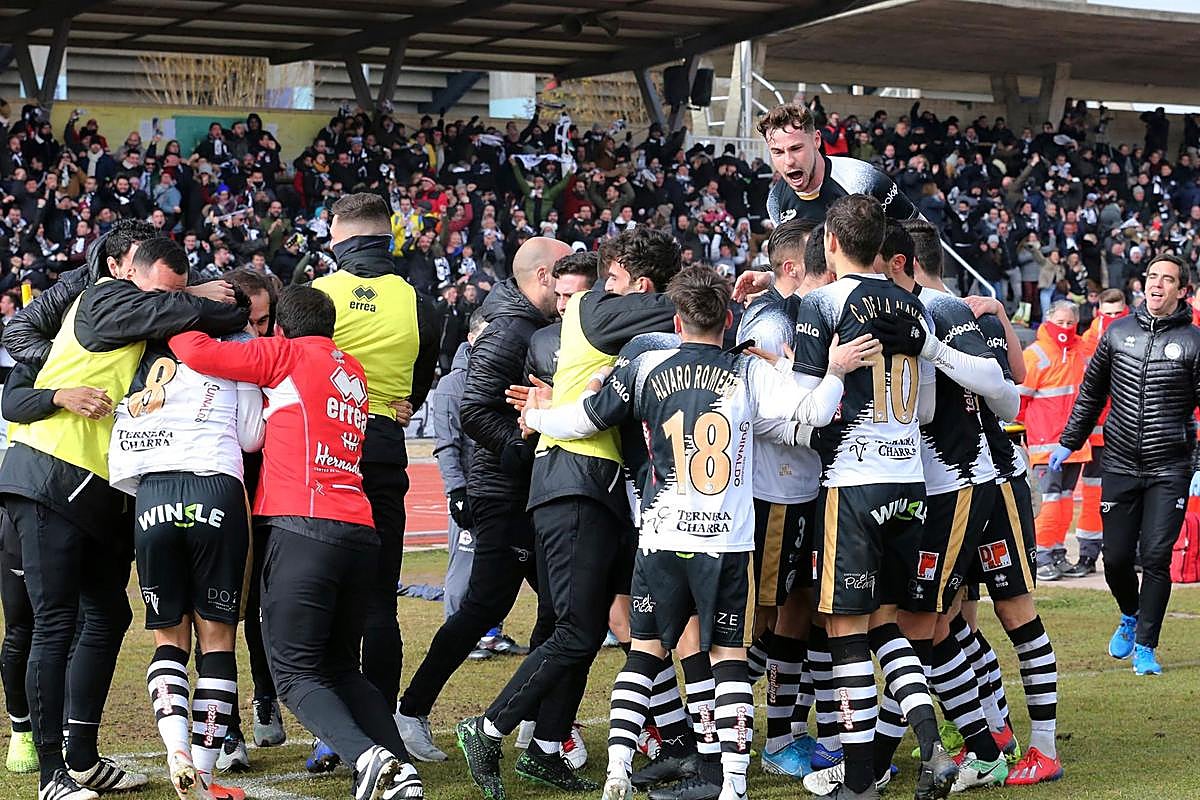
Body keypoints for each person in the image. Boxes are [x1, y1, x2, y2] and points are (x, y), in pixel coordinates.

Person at [514, 265, 880, 800]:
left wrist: (538, 417)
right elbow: (816, 411)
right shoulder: (747, 371)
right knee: (729, 660)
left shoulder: (646, 365)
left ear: (678, 321)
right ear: (728, 319)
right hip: (726, 541)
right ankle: (733, 784)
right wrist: (836, 370)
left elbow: (587, 418)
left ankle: (618, 769)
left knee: (643, 652)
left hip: (662, 535)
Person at [0, 234, 244, 800]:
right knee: (50, 623)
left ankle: (80, 757)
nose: (169, 301)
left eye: (177, 291)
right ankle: (50, 775)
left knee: (107, 615)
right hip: (48, 476)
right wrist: (201, 296)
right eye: (163, 289)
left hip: (92, 493)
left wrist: (199, 298)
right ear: (123, 270)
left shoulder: (140, 319)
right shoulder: (104, 295)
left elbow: (201, 312)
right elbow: (17, 394)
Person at [168, 286, 425, 800]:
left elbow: (192, 349)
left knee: (293, 672)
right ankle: (400, 768)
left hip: (302, 527)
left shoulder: (284, 354)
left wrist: (175, 304)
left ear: (281, 328)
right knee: (339, 668)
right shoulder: (350, 367)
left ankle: (369, 759)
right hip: (358, 529)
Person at [455, 228, 682, 800]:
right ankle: (488, 728)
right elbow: (682, 310)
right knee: (578, 629)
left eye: (614, 277)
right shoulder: (596, 308)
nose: (607, 287)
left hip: (601, 490)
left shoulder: (616, 321)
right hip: (573, 484)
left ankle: (548, 745)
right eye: (609, 279)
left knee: (610, 624)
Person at [787, 194, 952, 800]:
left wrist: (825, 373)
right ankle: (931, 745)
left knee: (847, 631)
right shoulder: (913, 306)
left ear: (830, 242)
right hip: (910, 479)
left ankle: (858, 781)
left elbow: (805, 411)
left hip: (852, 485)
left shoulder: (821, 303)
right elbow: (929, 404)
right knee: (887, 623)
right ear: (881, 246)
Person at [393, 237, 564, 766]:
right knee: (486, 607)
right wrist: (521, 449)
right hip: (504, 491)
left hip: (526, 489)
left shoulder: (521, 323)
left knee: (562, 611)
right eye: (563, 279)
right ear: (542, 277)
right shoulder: (510, 329)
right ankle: (412, 710)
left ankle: (534, 721)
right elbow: (473, 409)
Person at [106, 245, 266, 800]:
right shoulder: (235, 347)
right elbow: (251, 438)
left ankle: (174, 746)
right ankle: (202, 772)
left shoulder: (138, 346)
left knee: (166, 637)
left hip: (153, 492)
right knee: (218, 637)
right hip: (214, 486)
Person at [309, 193, 439, 772]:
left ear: (337, 232)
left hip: (326, 444)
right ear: (389, 236)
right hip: (384, 442)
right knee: (381, 597)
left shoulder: (318, 292)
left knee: (325, 592)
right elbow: (420, 381)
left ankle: (332, 730)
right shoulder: (423, 304)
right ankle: (382, 728)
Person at [1053, 254, 1200, 675]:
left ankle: (1146, 648)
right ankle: (1130, 615)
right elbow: (1091, 394)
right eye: (1152, 277)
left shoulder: (1193, 341)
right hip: (1118, 462)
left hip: (1169, 468)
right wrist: (1068, 442)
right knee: (1116, 558)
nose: (1157, 285)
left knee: (1154, 558)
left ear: (1181, 290)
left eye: (1167, 279)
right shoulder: (1117, 333)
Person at [733, 219, 830, 779]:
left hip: (801, 487)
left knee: (798, 608)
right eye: (822, 273)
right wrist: (823, 409)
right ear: (796, 270)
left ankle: (784, 732)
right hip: (775, 490)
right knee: (764, 616)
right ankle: (744, 734)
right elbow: (768, 412)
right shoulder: (771, 323)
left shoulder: (787, 310)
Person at [1019, 301, 1093, 581]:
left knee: (1063, 504)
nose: (1064, 328)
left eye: (1069, 323)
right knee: (1048, 503)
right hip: (1045, 444)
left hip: (1072, 444)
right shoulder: (1035, 355)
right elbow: (1019, 401)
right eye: (1059, 322)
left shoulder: (1080, 351)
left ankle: (1057, 552)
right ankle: (1041, 556)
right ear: (1049, 320)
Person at [759, 104, 915, 227]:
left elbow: (923, 237)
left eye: (796, 148)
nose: (789, 161)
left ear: (816, 140)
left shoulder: (864, 180)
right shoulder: (775, 200)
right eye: (778, 152)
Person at [1072, 289, 1130, 578]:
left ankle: (1132, 553)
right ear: (1098, 312)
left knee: (1129, 495)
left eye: (1118, 313)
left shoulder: (1139, 335)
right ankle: (1088, 553)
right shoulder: (1086, 342)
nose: (1112, 319)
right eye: (1107, 313)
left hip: (1129, 430)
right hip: (1097, 435)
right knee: (1094, 495)